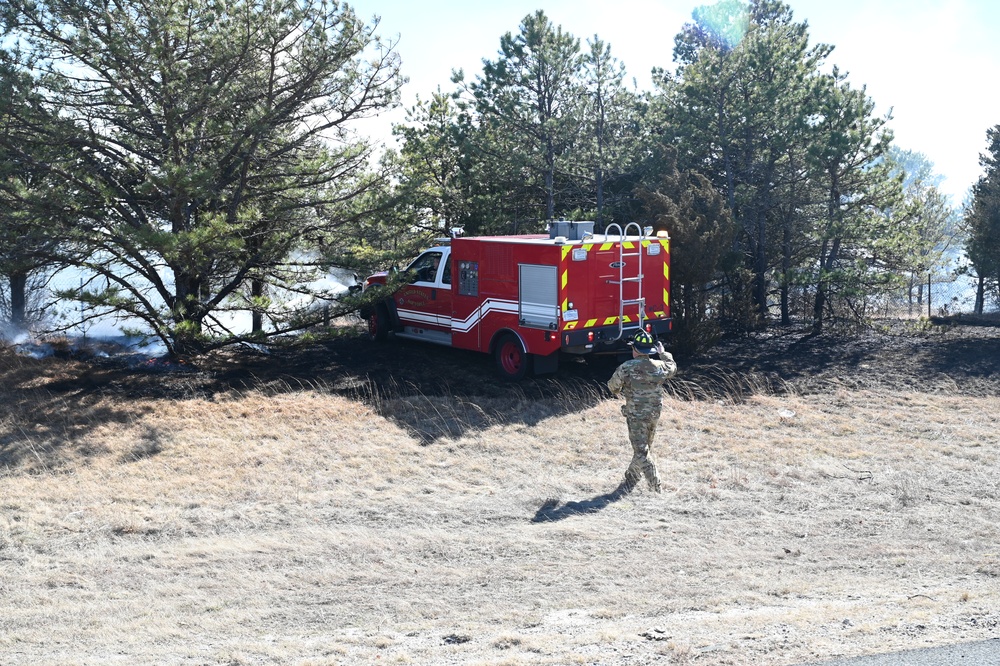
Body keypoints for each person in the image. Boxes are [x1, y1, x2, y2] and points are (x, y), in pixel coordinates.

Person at [607, 330, 677, 494]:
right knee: (645, 448)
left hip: (636, 415)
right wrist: (663, 353)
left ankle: (655, 487)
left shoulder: (626, 368)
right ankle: (631, 477)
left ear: (635, 350)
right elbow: (672, 368)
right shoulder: (660, 366)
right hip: (654, 413)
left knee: (641, 451)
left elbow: (612, 388)